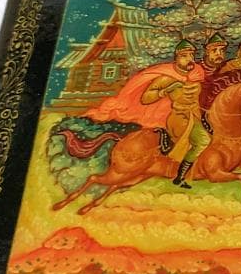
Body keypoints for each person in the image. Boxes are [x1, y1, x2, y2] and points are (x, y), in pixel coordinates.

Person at [86, 39, 208, 188]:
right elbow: (145, 98)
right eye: (185, 56)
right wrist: (164, 91)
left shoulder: (196, 75)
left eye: (191, 55)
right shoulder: (166, 78)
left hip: (195, 114)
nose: (189, 59)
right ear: (176, 57)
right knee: (202, 140)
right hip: (177, 116)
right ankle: (179, 176)